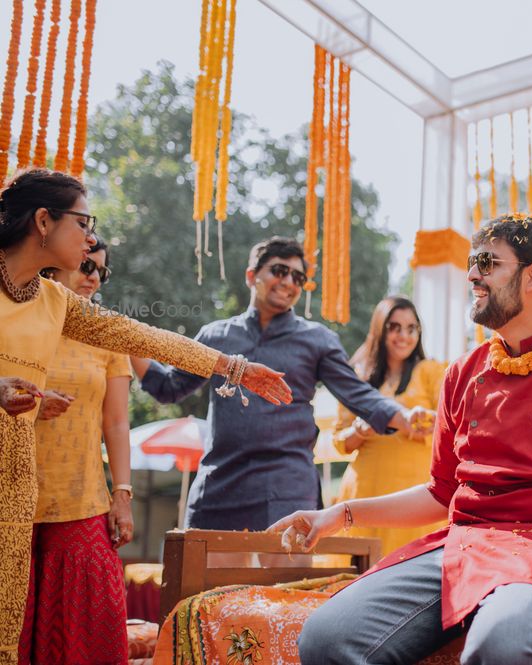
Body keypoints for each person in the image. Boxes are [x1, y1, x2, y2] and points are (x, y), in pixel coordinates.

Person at [270, 214, 532, 665]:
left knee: (503, 644)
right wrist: (337, 516)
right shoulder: (462, 373)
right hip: (467, 545)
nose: (473, 274)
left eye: (487, 262)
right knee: (327, 637)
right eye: (472, 263)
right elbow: (443, 492)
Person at [0, 168, 291, 665]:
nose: (91, 238)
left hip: (18, 487)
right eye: (83, 221)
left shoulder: (53, 301)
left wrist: (232, 367)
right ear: (43, 221)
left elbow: (141, 337)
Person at [131, 237, 433, 538]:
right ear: (252, 275)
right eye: (279, 270)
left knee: (287, 586)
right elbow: (168, 387)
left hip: (287, 487)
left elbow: (360, 394)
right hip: (219, 484)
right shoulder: (216, 336)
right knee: (208, 587)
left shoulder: (317, 340)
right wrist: (124, 338)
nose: (289, 281)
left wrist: (402, 417)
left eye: (298, 277)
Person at [18, 235, 134, 663]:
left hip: (80, 499)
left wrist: (122, 493)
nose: (94, 279)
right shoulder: (15, 319)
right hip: (12, 497)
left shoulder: (106, 332)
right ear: (53, 263)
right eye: (88, 266)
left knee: (90, 631)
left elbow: (117, 422)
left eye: (102, 271)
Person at [333, 296, 447, 555]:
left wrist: (419, 421)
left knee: (410, 572)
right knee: (359, 578)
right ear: (379, 329)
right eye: (394, 327)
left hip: (415, 496)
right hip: (365, 491)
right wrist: (361, 430)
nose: (403, 336)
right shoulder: (357, 376)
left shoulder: (431, 371)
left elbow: (449, 423)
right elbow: (341, 441)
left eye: (411, 328)